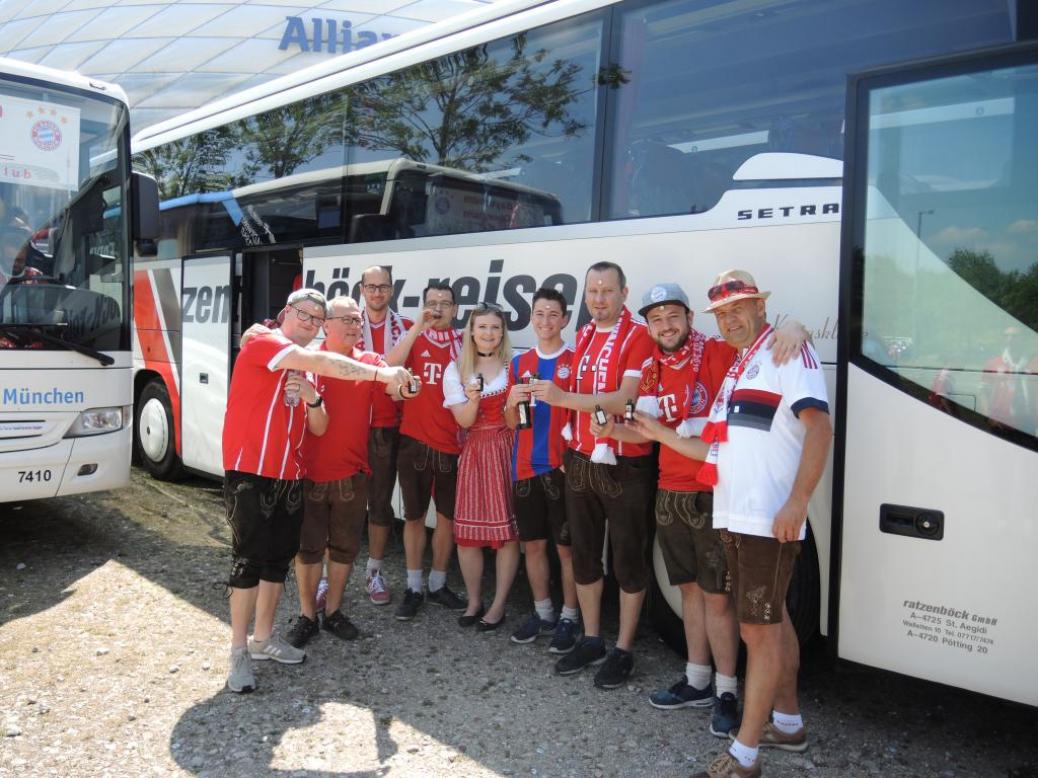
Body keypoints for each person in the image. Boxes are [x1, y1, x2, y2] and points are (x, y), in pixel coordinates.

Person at [635, 270, 831, 778]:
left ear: (762, 307)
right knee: (775, 623)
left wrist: (798, 502)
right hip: (736, 517)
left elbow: (820, 428)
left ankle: (744, 755)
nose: (731, 318)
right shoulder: (741, 366)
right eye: (722, 312)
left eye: (740, 307)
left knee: (757, 632)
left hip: (768, 520)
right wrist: (659, 433)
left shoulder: (788, 352)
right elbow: (714, 450)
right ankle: (787, 724)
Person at [222, 288, 410, 694]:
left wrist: (313, 399)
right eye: (303, 315)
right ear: (285, 313)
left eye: (315, 318)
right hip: (251, 472)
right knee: (247, 564)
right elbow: (322, 359)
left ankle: (263, 640)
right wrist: (381, 373)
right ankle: (237, 651)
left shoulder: (304, 369)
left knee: (275, 564)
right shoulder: (263, 341)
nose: (308, 323)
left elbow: (318, 426)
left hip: (290, 475)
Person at [530, 261, 656, 689]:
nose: (599, 299)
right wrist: (569, 438)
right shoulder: (582, 335)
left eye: (607, 291)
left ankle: (623, 648)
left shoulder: (640, 335)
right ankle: (590, 637)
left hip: (625, 463)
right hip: (581, 459)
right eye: (592, 291)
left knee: (627, 558)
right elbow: (572, 399)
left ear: (624, 293)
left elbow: (624, 399)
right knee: (583, 553)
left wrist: (567, 399)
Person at [284, 296, 419, 648]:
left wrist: (404, 385)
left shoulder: (370, 362)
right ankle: (306, 616)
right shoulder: (308, 362)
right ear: (326, 324)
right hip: (309, 474)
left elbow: (392, 386)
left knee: (344, 550)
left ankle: (332, 612)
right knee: (308, 550)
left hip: (351, 475)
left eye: (358, 321)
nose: (355, 326)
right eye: (347, 320)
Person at [503, 288, 581, 652]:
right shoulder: (519, 363)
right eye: (539, 314)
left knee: (566, 548)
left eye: (553, 314)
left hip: (561, 468)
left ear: (564, 319)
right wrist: (511, 402)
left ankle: (569, 616)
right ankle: (543, 611)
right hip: (524, 467)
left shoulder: (576, 360)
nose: (546, 321)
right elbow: (509, 420)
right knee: (532, 545)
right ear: (531, 318)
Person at [384, 282, 468, 619]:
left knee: (447, 519)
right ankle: (413, 585)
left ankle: (437, 583)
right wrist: (418, 324)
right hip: (415, 442)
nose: (438, 309)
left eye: (445, 303)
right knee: (415, 517)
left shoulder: (465, 342)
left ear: (455, 310)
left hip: (452, 444)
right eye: (431, 303)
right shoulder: (413, 336)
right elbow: (388, 367)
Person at [443, 302, 519, 630]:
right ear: (471, 331)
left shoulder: (514, 365)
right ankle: (474, 600)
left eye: (495, 328)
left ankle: (499, 604)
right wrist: (473, 397)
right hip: (475, 452)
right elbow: (463, 419)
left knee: (508, 534)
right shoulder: (456, 369)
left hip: (507, 448)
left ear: (502, 333)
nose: (489, 334)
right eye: (483, 327)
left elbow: (517, 423)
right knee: (467, 536)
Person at [357, 265, 414, 605]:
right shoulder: (346, 325)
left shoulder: (405, 328)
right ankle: (327, 577)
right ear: (362, 289)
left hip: (387, 429)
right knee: (341, 505)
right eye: (371, 286)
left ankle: (374, 571)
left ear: (392, 290)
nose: (377, 292)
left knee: (380, 505)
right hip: (350, 427)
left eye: (383, 287)